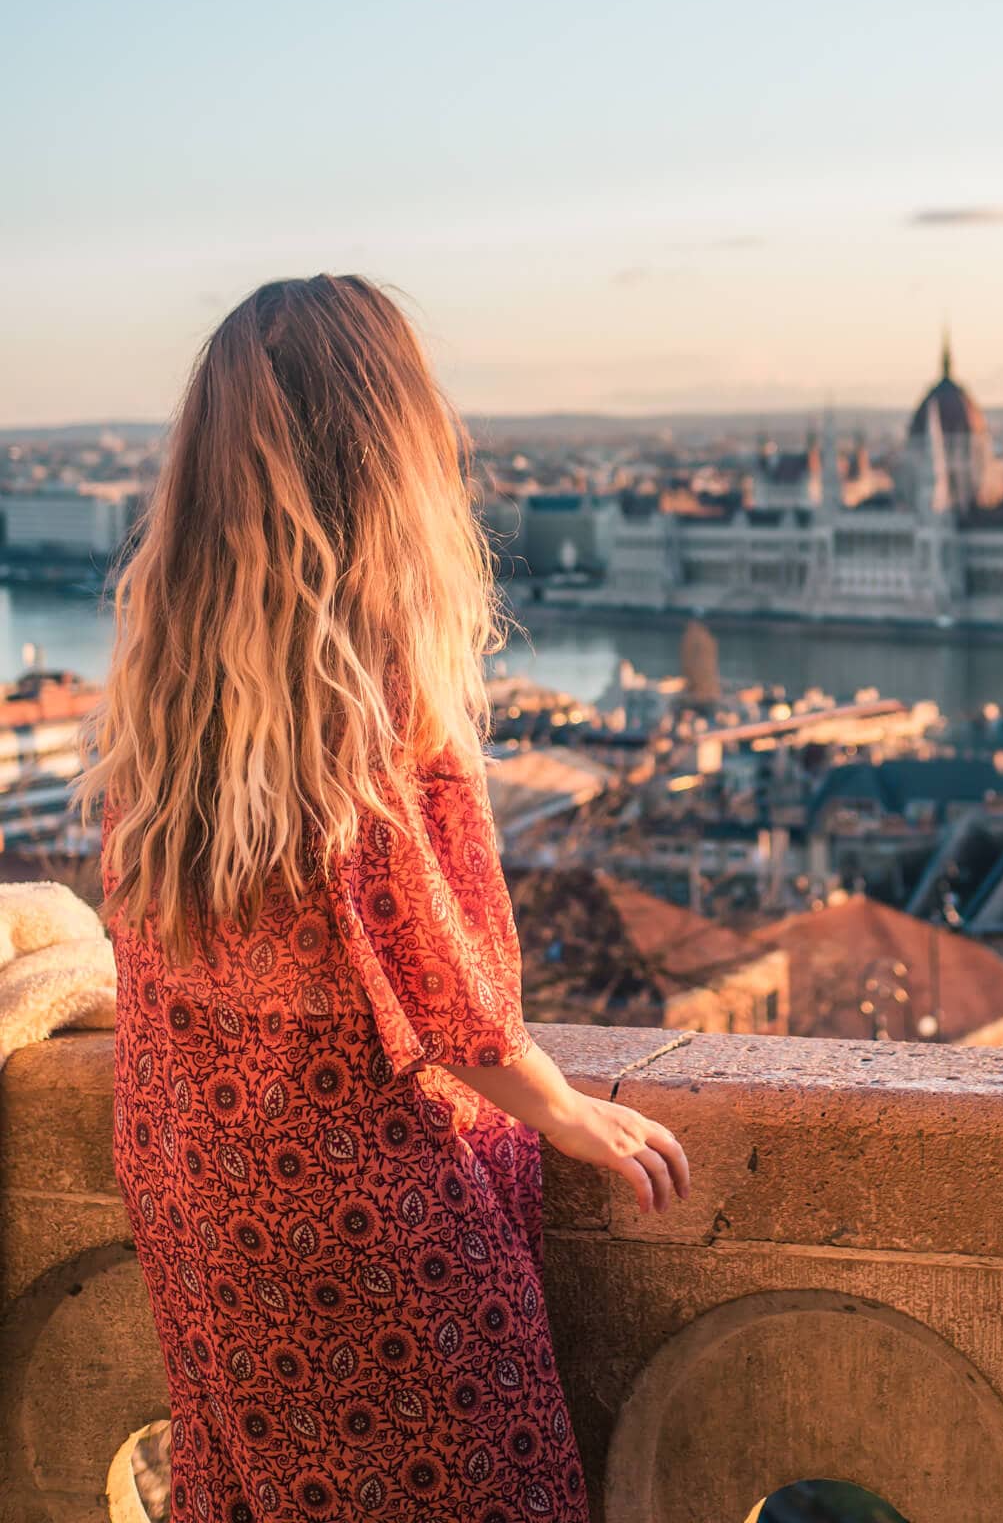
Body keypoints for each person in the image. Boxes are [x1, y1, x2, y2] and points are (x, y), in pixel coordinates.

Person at [81, 275, 690, 1522]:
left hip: (195, 1183)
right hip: (360, 1208)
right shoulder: (372, 691)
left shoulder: (161, 704)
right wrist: (564, 1106)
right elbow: (440, 973)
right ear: (391, 449)